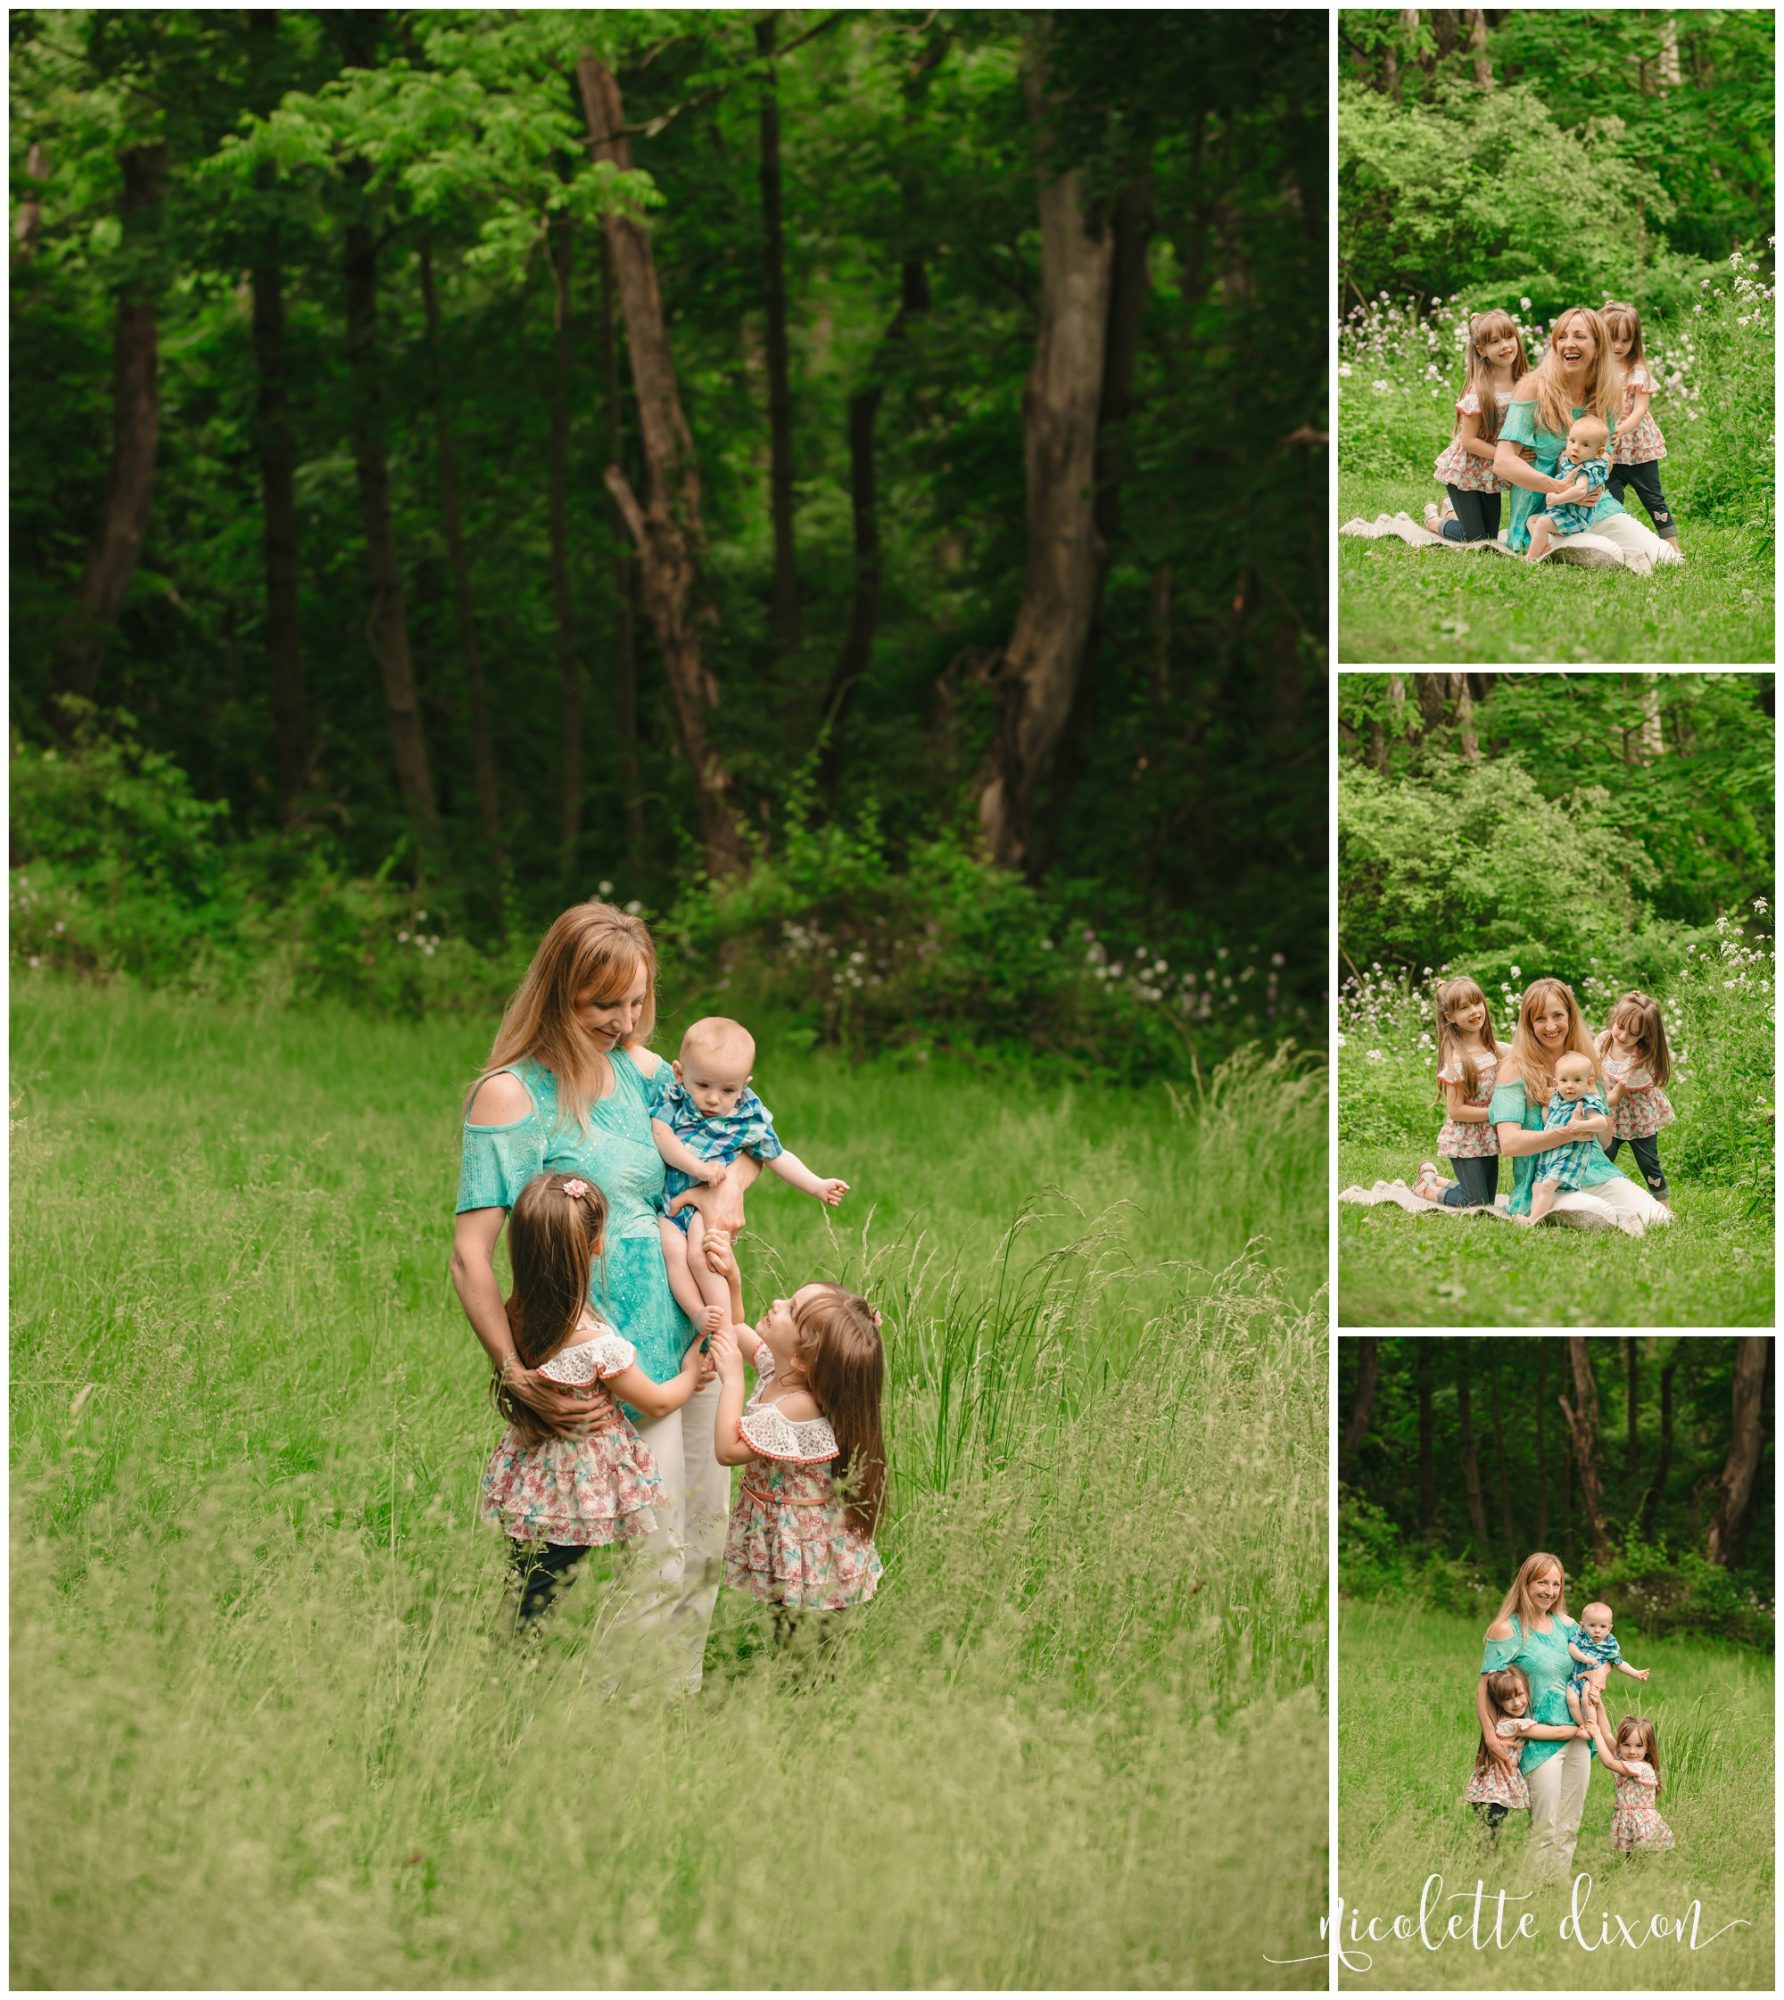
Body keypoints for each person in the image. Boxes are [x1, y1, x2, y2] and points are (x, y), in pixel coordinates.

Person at [451, 900, 760, 1692]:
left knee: (707, 1545)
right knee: (653, 1556)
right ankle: (615, 1727)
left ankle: (671, 1713)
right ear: (559, 993)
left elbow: (748, 1135)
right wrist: (516, 1373)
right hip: (609, 1361)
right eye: (602, 1005)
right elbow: (470, 1258)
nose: (624, 1022)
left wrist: (728, 1197)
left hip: (698, 1332)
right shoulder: (512, 1096)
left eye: (637, 1002)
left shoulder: (653, 1074)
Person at [480, 1171, 709, 1628]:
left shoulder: (517, 1313)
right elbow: (659, 1402)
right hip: (576, 1488)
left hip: (534, 1478)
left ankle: (510, 1656)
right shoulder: (596, 1345)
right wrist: (691, 1372)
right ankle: (513, 1666)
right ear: (596, 1246)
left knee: (528, 1584)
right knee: (542, 1592)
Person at [652, 1015, 851, 1337]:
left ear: (744, 1085)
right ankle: (697, 1312)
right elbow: (662, 1136)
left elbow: (777, 1156)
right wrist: (698, 1168)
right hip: (671, 1204)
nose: (713, 1098)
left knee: (703, 1254)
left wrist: (817, 1185)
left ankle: (722, 1328)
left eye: (728, 1089)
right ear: (679, 1073)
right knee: (672, 1251)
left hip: (707, 1207)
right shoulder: (673, 1100)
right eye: (702, 1085)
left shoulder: (746, 1117)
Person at [709, 1283, 885, 1638]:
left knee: (806, 1650)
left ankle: (812, 1691)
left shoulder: (799, 1406)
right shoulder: (784, 1373)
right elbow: (737, 1327)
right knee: (788, 1636)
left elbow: (727, 1449)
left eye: (789, 1309)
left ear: (802, 1359)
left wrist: (731, 1380)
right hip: (790, 1543)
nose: (776, 1302)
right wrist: (731, 1279)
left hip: (811, 1559)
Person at [1491, 306, 1681, 572]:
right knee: (1609, 552)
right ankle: (1523, 536)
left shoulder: (1607, 393)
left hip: (1590, 507)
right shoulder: (1532, 387)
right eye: (1562, 336)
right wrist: (1559, 488)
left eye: (1580, 336)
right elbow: (1503, 462)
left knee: (1666, 558)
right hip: (1546, 512)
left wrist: (1591, 484)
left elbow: (1606, 455)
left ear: (1597, 345)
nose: (1569, 343)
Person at [1479, 979, 1670, 1233]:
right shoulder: (1514, 1069)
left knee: (1659, 1217)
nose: (1550, 1026)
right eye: (1539, 1019)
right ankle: (1543, 1210)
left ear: (1570, 1016)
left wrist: (1598, 1111)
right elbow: (1510, 1144)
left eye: (1558, 1015)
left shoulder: (1582, 1062)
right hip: (1545, 1180)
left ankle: (1599, 1205)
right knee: (1602, 1213)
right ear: (1528, 1023)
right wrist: (1564, 1133)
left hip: (1593, 1170)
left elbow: (1603, 1142)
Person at [1477, 1551, 1595, 1880]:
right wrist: (1492, 1737)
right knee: (1545, 1826)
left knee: (1570, 1826)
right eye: (1542, 1582)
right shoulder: (1506, 1629)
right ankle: (1528, 1896)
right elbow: (1484, 1688)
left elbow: (1593, 1668)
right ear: (1525, 1583)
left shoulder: (1569, 1626)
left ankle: (1554, 1894)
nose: (1549, 1590)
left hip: (1578, 1736)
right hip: (1538, 1740)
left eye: (1556, 1583)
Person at [1424, 310, 1527, 544]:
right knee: (1475, 538)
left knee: (1490, 537)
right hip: (1465, 469)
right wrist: (1510, 455)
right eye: (1494, 341)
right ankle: (1433, 520)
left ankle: (1451, 510)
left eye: (1508, 337)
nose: (1505, 345)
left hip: (1490, 471)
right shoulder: (1480, 392)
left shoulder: (1525, 382)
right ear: (1481, 350)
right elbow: (1469, 442)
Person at [1465, 1665, 1589, 1841]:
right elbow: (1557, 1733)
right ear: (1498, 1701)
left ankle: (1484, 1864)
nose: (1516, 1703)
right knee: (1489, 1840)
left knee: (1489, 1837)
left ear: (1527, 1689)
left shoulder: (1502, 1720)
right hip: (1493, 1794)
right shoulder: (1514, 1725)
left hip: (1488, 1791)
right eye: (1507, 1698)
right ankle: (1484, 1866)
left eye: (1519, 1695)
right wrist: (1581, 1727)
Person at [1413, 974, 1501, 1209]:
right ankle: (1425, 1187)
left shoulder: (1490, 1048)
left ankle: (1436, 1179)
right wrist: (1494, 1112)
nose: (1474, 1011)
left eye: (1477, 1003)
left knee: (1488, 1202)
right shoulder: (1458, 1060)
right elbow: (1456, 1111)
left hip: (1487, 1137)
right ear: (1450, 1016)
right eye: (1464, 1008)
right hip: (1465, 1140)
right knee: (1475, 1203)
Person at [1603, 300, 1680, 550]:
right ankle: (1618, 545)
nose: (1618, 346)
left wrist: (1623, 428)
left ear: (1634, 340)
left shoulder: (1637, 371)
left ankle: (1673, 547)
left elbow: (1640, 409)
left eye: (1625, 340)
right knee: (1609, 499)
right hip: (1608, 446)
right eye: (1612, 338)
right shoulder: (1596, 371)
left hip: (1637, 446)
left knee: (1653, 498)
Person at [1597, 991, 1676, 1206]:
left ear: (1644, 1035)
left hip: (1638, 1118)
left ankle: (1663, 1205)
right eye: (1620, 1026)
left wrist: (1591, 1101)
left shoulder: (1639, 1061)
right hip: (1612, 1116)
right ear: (1614, 1019)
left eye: (1632, 1033)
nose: (1622, 1036)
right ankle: (1597, 1197)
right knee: (1602, 1156)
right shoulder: (1604, 1040)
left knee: (1648, 1162)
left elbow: (1614, 1097)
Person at [1527, 1050, 1613, 1224]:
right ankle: (1532, 1216)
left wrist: (1581, 1125)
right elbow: (1550, 1118)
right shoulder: (1558, 1098)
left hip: (1568, 1156)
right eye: (1564, 1080)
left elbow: (1601, 1122)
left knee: (1547, 1186)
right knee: (1536, 1187)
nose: (1569, 1086)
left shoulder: (1586, 1102)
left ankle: (1534, 1221)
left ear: (1588, 1083)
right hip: (1549, 1155)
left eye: (1577, 1080)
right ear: (1556, 1082)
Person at [1524, 414, 1611, 563]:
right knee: (1531, 520)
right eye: (1572, 441)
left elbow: (1580, 491)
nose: (1575, 448)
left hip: (1574, 518)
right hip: (1562, 512)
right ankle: (1544, 545)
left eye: (1585, 445)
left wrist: (1557, 498)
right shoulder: (1571, 462)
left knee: (1542, 523)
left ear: (1598, 452)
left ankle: (1531, 558)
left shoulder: (1586, 469)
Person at [1587, 1709, 1675, 1855]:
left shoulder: (1639, 1767)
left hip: (1641, 1824)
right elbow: (1607, 1733)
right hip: (1630, 1821)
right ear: (1620, 1745)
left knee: (1641, 1859)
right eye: (1626, 1745)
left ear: (1648, 1748)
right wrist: (1599, 1704)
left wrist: (1596, 1735)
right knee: (1631, 1860)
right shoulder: (1627, 1761)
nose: (1632, 1751)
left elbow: (1608, 1762)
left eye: (1638, 1746)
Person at [1563, 1599, 1651, 1727]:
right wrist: (1584, 1658)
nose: (1597, 1630)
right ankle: (1581, 1724)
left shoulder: (1609, 1645)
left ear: (1609, 1628)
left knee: (1587, 1700)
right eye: (1592, 1625)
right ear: (1582, 1626)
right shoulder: (1580, 1635)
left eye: (1602, 1626)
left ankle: (1591, 1725)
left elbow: (1619, 1663)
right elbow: (1571, 1647)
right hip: (1575, 1677)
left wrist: (1636, 1673)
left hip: (1591, 1681)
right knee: (1571, 1700)